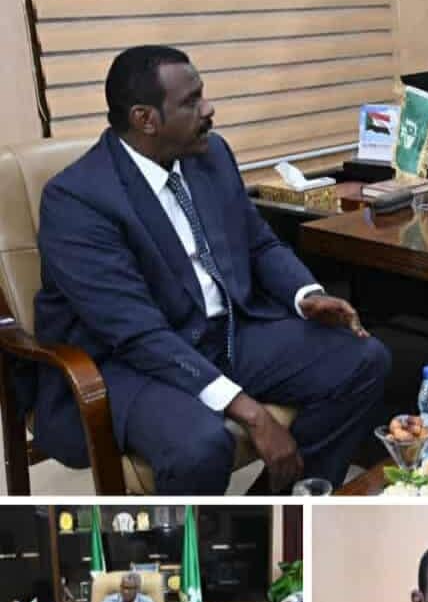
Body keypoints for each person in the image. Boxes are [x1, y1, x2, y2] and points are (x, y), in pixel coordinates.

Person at [31, 45, 390, 494]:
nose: (209, 109)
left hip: (223, 333)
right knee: (199, 447)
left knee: (363, 360)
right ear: (145, 119)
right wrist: (252, 413)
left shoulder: (209, 154)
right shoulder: (77, 200)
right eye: (191, 101)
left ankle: (280, 508)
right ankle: (204, 538)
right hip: (127, 364)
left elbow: (257, 242)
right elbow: (135, 333)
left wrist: (306, 294)